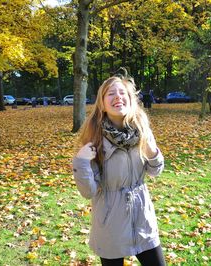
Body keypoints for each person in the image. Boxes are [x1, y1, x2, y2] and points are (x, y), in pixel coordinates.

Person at [72, 71, 166, 266]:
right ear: (103, 105)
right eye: (111, 94)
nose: (118, 97)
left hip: (143, 221)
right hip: (110, 225)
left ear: (131, 99)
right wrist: (81, 162)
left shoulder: (142, 131)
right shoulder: (94, 139)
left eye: (122, 93)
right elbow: (88, 191)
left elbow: (155, 171)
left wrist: (151, 152)